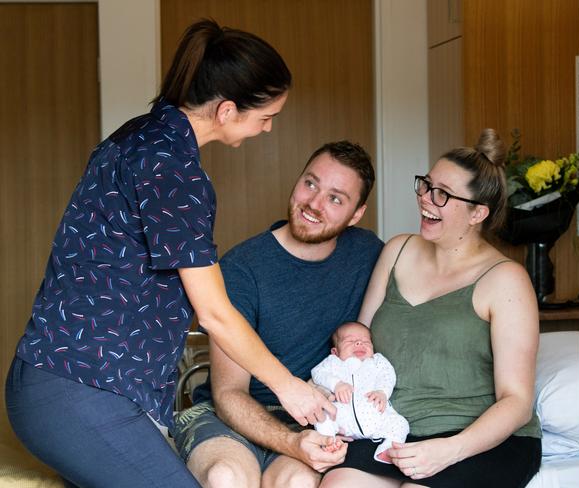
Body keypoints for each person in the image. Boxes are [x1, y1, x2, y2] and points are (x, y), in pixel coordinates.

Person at [4, 19, 334, 488]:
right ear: (226, 110)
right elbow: (214, 312)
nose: (268, 128)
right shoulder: (172, 169)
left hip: (64, 383)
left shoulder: (140, 137)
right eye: (266, 117)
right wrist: (290, 388)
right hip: (78, 388)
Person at [320, 129, 542, 488]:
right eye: (425, 185)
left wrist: (449, 450)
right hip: (396, 429)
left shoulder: (506, 280)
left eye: (442, 194)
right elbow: (357, 351)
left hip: (478, 440)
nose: (425, 199)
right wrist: (343, 410)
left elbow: (516, 401)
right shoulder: (397, 252)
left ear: (477, 213)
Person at [171, 141, 384, 488]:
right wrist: (290, 442)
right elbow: (229, 395)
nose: (314, 204)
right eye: (310, 183)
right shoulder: (242, 268)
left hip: (312, 423)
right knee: (227, 478)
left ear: (356, 214)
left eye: (335, 198)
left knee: (297, 484)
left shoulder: (367, 253)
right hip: (232, 417)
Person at [311, 321, 409, 464]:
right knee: (323, 417)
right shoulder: (332, 362)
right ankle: (329, 442)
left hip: (377, 415)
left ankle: (387, 449)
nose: (358, 343)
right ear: (335, 352)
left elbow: (388, 376)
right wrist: (336, 384)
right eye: (350, 341)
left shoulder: (377, 361)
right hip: (342, 419)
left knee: (401, 424)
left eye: (365, 341)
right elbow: (317, 373)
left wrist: (382, 392)